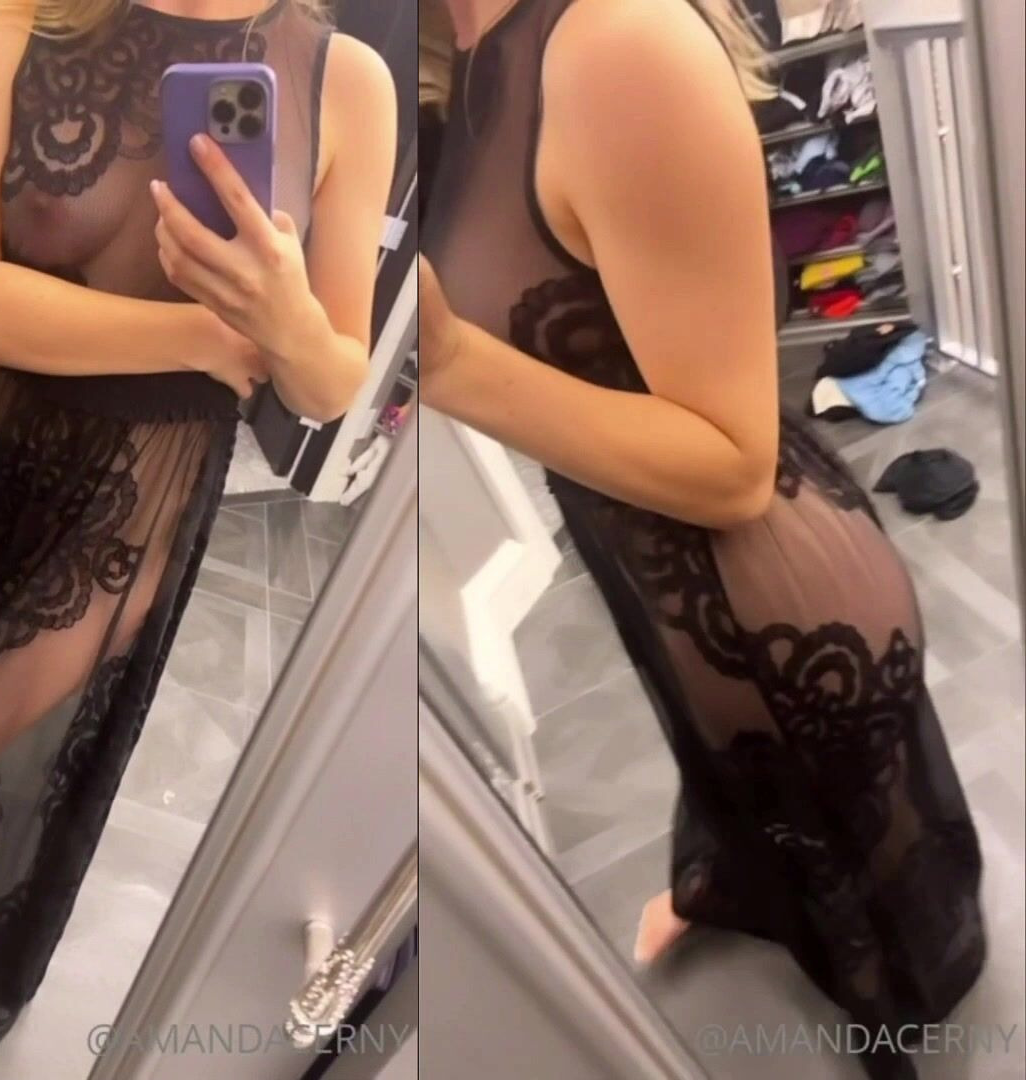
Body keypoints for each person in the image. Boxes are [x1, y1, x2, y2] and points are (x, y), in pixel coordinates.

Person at [0, 0, 395, 1076]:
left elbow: (326, 385)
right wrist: (204, 335)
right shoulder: (24, 18)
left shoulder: (345, 79)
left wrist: (287, 317)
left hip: (135, 497)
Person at [417, 0, 983, 1077]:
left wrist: (445, 363)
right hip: (661, 588)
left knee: (868, 889)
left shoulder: (616, 44)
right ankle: (731, 891)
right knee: (738, 797)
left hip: (772, 604)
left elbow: (732, 466)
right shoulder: (459, 51)